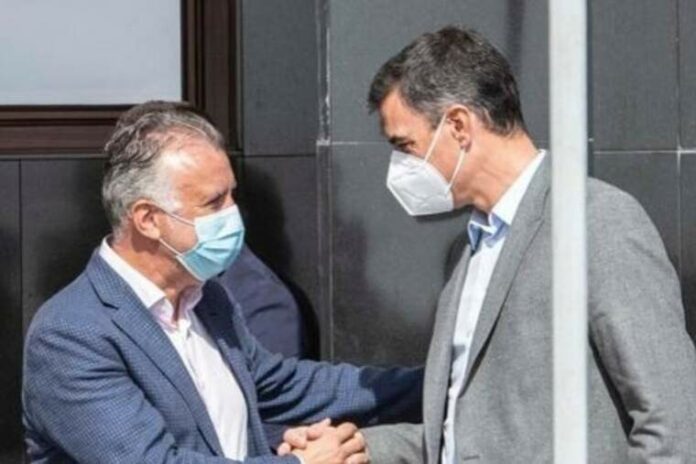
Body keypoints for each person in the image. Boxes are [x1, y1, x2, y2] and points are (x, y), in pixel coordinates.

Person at [285, 25, 696, 462]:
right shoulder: (470, 250)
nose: (400, 165)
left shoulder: (596, 221)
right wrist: (362, 449)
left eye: (406, 145)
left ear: (458, 126)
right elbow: (468, 438)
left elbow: (674, 421)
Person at [22, 101, 422, 463]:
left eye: (232, 195)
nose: (233, 214)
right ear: (148, 219)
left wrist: (437, 385)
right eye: (214, 202)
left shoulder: (208, 298)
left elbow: (285, 386)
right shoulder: (72, 335)